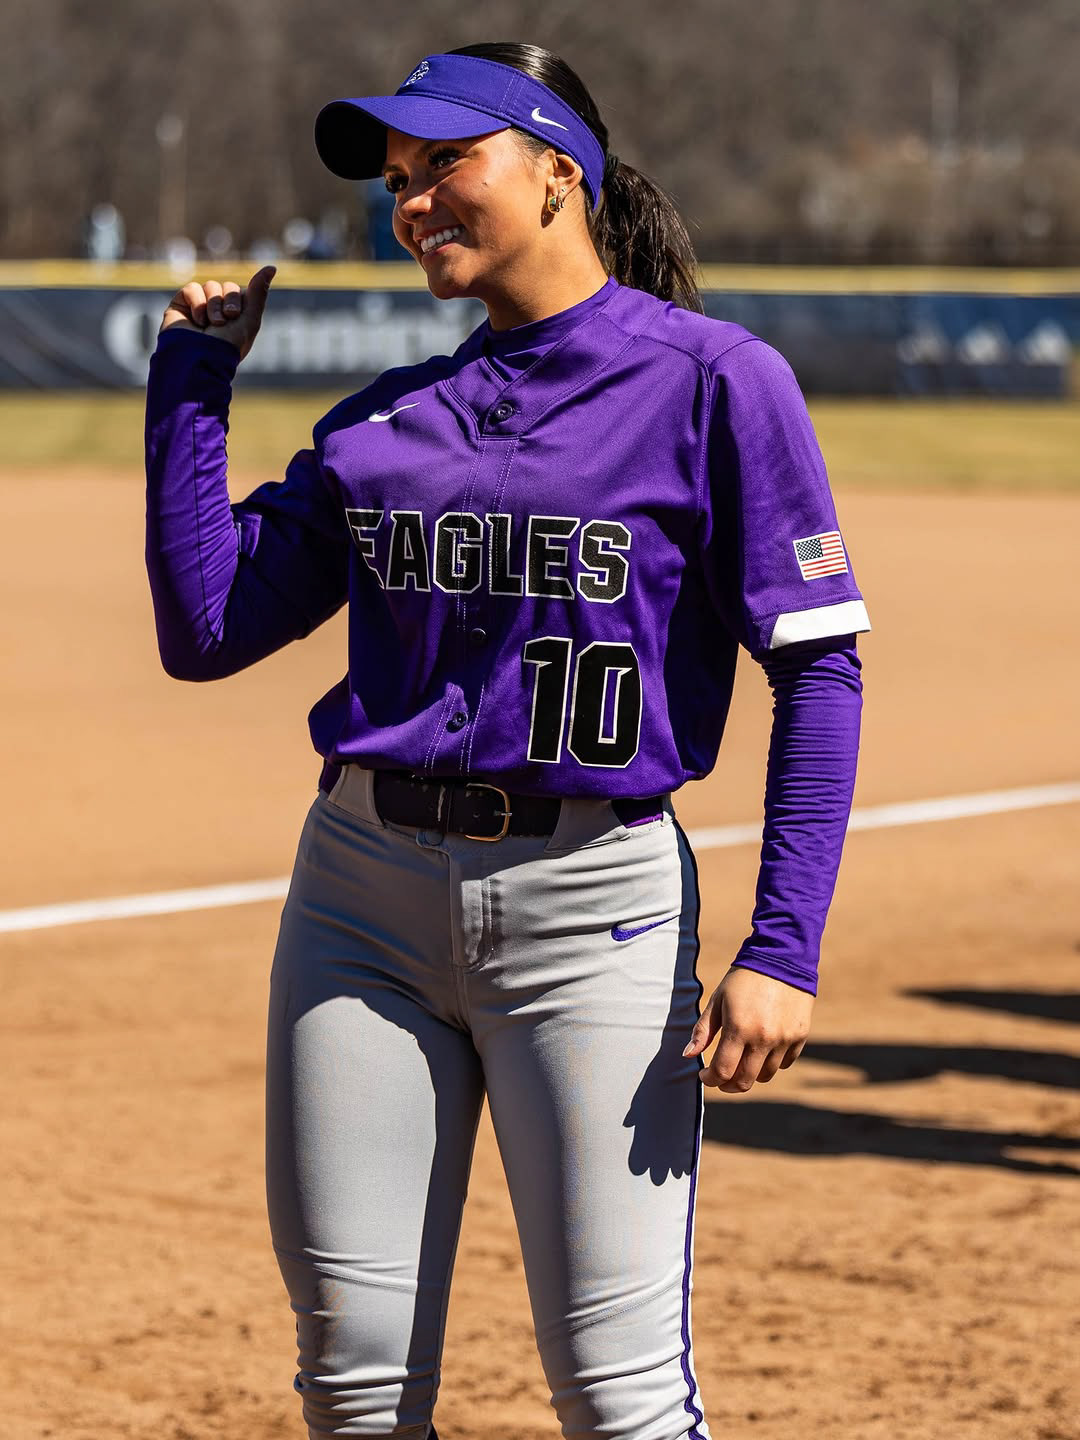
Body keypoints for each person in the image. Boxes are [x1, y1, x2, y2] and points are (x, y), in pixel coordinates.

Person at [144, 42, 869, 1440]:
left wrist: (785, 945)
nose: (411, 201)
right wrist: (191, 382)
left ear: (557, 174)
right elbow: (206, 627)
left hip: (593, 910)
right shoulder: (387, 420)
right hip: (359, 903)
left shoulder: (715, 384)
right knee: (354, 1385)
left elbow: (818, 670)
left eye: (443, 164)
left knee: (618, 1396)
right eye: (395, 181)